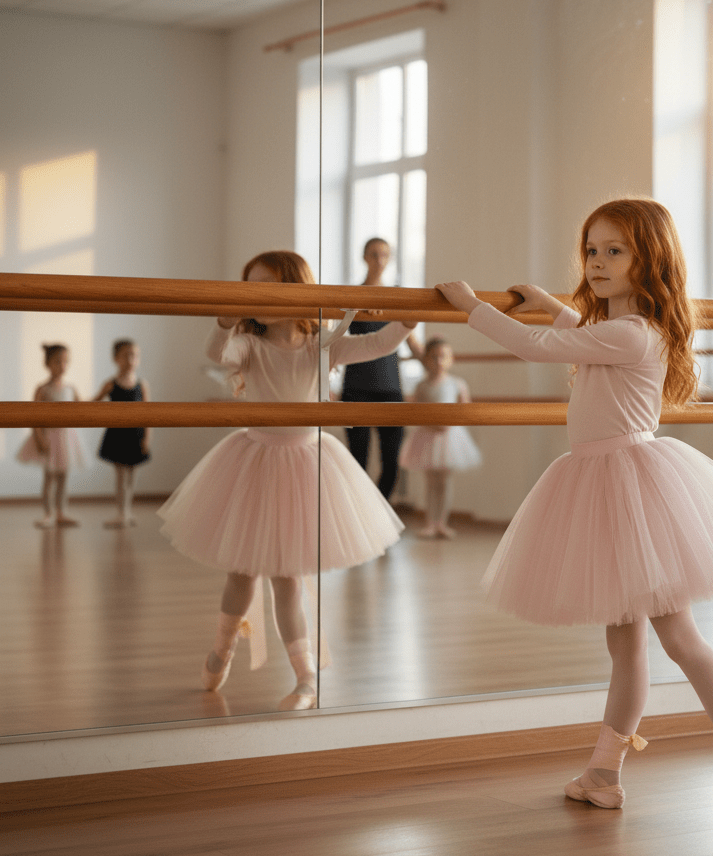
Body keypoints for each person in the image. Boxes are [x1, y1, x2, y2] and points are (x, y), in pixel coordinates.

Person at [437, 198, 713, 832]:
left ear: (649, 259)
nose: (598, 262)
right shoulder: (629, 329)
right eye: (593, 250)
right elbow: (585, 337)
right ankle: (604, 773)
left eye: (615, 251)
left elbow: (539, 347)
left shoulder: (628, 333)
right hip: (613, 488)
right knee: (625, 642)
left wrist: (473, 307)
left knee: (678, 638)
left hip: (630, 488)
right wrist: (557, 305)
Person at [157, 250, 417, 711]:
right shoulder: (248, 344)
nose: (257, 296)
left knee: (289, 578)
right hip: (254, 460)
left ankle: (305, 677)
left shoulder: (324, 344)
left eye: (267, 286)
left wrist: (406, 319)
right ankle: (223, 648)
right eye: (250, 287)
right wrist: (223, 320)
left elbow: (377, 345)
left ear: (296, 290)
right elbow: (218, 354)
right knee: (241, 570)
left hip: (306, 464)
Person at [341, 237, 423, 500]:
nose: (379, 260)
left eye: (384, 255)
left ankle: (378, 515)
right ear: (364, 257)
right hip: (356, 389)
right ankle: (359, 516)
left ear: (389, 259)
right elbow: (335, 336)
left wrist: (436, 366)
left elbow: (412, 342)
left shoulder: (396, 297)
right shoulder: (351, 295)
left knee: (392, 461)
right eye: (374, 254)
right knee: (358, 460)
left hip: (390, 388)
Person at [399, 336, 482, 539]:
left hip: (449, 438)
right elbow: (415, 412)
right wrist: (430, 424)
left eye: (443, 357)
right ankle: (430, 523)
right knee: (431, 482)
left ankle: (442, 523)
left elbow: (465, 410)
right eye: (434, 357)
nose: (438, 361)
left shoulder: (457, 383)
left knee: (444, 483)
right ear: (426, 359)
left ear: (450, 359)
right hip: (428, 435)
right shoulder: (422, 386)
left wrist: (451, 423)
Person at [17, 343, 84, 528]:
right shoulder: (43, 389)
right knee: (49, 478)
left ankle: (62, 512)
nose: (62, 366)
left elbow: (83, 408)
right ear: (47, 364)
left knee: (64, 477)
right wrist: (39, 437)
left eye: (65, 362)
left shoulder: (70, 388)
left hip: (66, 438)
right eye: (57, 362)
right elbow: (34, 416)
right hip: (49, 437)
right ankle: (48, 514)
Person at [94, 339, 151, 528]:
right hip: (117, 435)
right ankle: (121, 512)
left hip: (135, 435)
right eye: (126, 355)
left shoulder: (142, 384)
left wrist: (147, 437)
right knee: (120, 476)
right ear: (116, 359)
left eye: (134, 355)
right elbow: (93, 403)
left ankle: (127, 511)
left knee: (132, 477)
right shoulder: (111, 384)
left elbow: (149, 413)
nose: (130, 359)